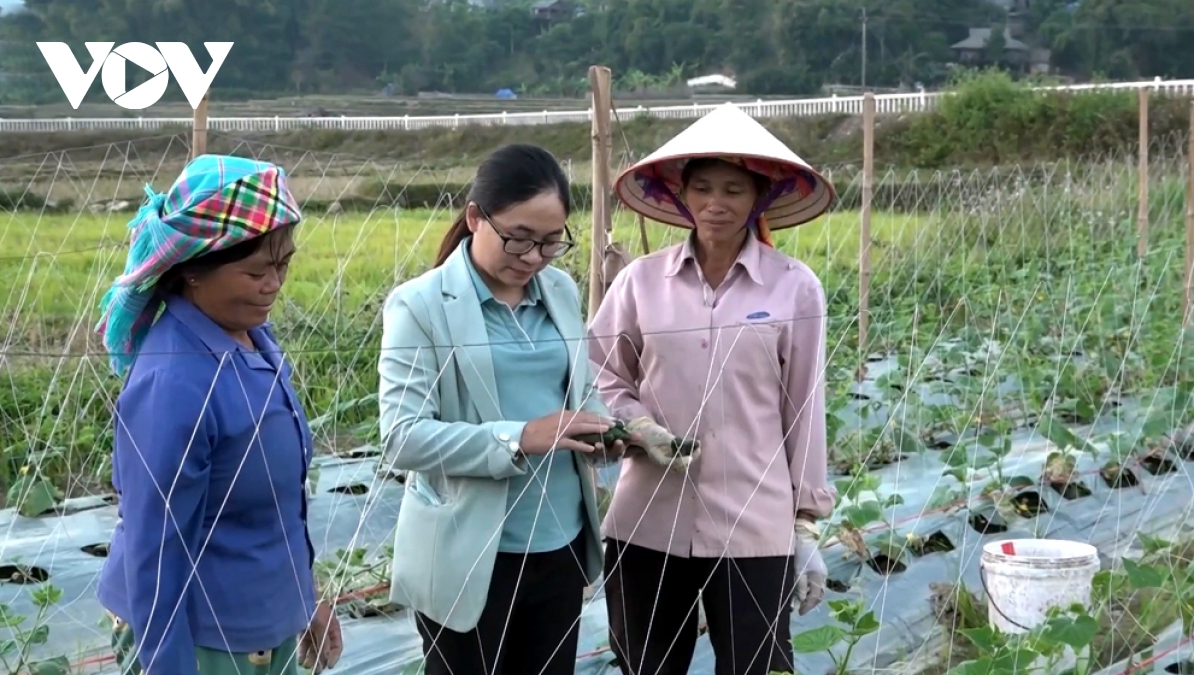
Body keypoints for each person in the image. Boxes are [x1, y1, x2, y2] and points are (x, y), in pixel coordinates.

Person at [587, 103, 839, 675]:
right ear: (681, 195)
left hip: (754, 523)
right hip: (647, 518)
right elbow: (598, 371)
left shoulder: (794, 288)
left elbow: (804, 409)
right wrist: (639, 425)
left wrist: (804, 525)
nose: (716, 204)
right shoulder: (640, 281)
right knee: (647, 667)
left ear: (760, 198)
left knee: (756, 666)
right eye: (702, 188)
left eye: (733, 189)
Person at [378, 143, 631, 675]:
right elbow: (402, 437)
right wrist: (518, 436)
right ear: (475, 218)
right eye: (518, 238)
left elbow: (578, 392)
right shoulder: (421, 305)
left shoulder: (558, 290)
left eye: (550, 242)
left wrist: (607, 427)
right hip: (468, 556)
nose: (534, 257)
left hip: (560, 544)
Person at [95, 155, 342, 675]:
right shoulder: (175, 381)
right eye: (255, 271)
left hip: (263, 622)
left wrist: (304, 601)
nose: (273, 284)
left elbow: (277, 507)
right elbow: (155, 547)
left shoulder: (254, 340)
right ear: (191, 272)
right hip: (203, 639)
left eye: (283, 265)